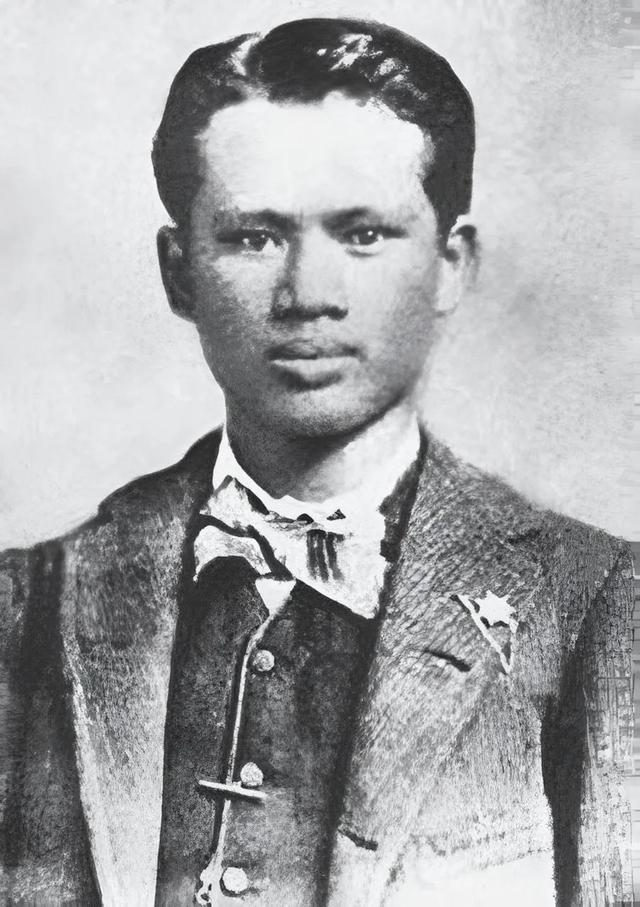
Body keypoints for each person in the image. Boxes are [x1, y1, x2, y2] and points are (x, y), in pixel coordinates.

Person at [0, 17, 634, 907]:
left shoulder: (594, 605)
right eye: (254, 237)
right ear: (179, 272)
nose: (309, 295)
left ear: (449, 265)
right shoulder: (26, 604)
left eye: (364, 234)